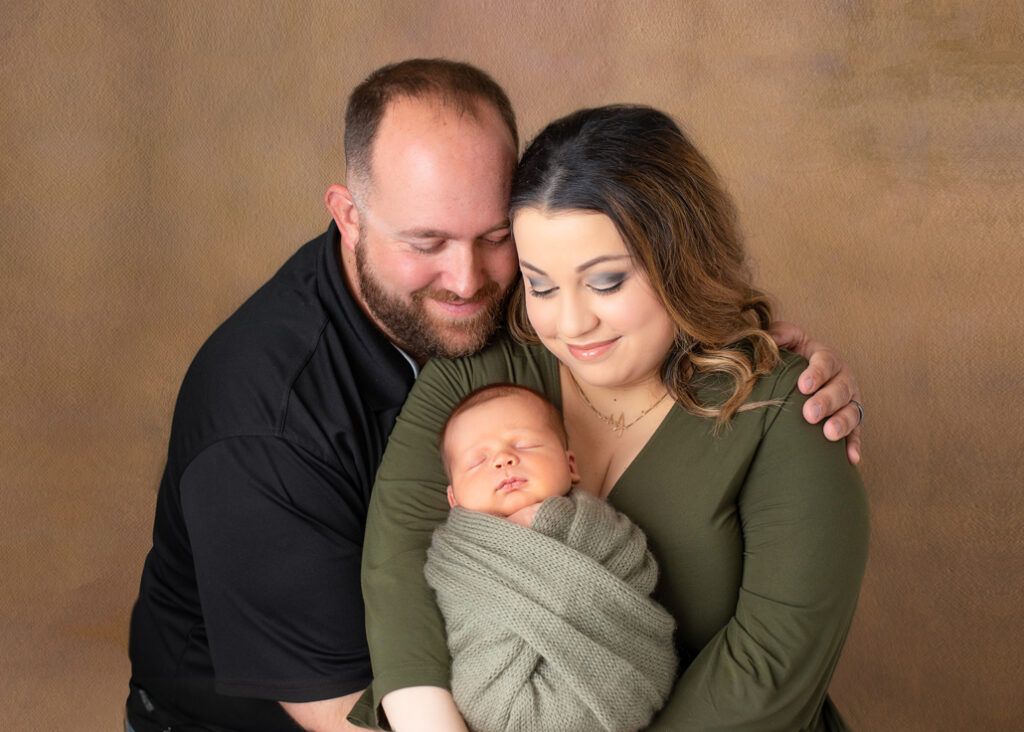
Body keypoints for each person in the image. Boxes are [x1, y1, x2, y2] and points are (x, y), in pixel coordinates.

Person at [125, 57, 863, 732]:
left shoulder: (777, 411)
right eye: (426, 242)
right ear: (349, 218)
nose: (468, 280)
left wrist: (753, 345)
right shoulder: (277, 423)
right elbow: (384, 599)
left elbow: (769, 666)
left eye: (493, 239)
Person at [359, 105, 870, 731]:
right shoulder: (484, 369)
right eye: (540, 285)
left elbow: (768, 665)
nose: (571, 325)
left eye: (605, 281)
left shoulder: (785, 409)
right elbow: (400, 563)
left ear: (679, 260)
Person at [429, 383, 677, 731]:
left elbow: (634, 570)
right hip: (500, 695)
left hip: (622, 674)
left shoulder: (603, 528)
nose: (503, 459)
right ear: (454, 500)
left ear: (570, 465)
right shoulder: (458, 556)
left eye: (525, 445)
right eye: (478, 460)